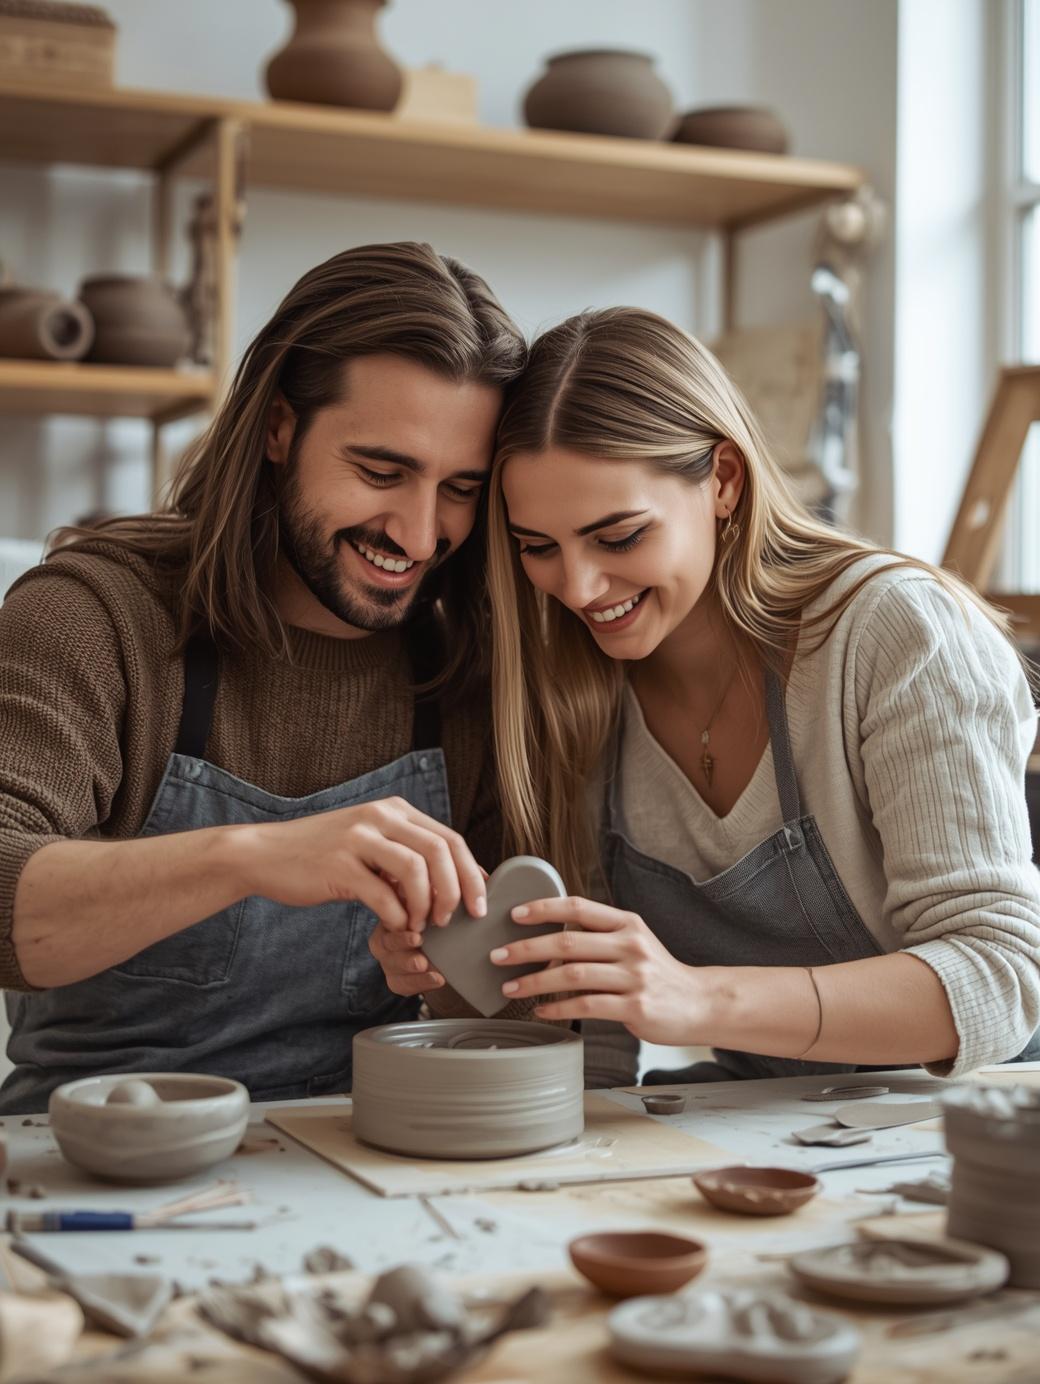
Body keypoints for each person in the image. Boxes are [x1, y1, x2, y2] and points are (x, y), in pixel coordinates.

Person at [376, 306, 1040, 1085]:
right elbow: (594, 1040)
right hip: (773, 1129)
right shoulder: (576, 687)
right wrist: (453, 981)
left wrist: (700, 998)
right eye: (539, 548)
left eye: (619, 537)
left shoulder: (896, 633)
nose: (581, 588)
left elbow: (1000, 978)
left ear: (723, 479)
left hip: (968, 1125)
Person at [0, 241, 529, 1113]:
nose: (422, 533)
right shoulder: (99, 616)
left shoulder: (465, 674)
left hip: (368, 1146)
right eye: (382, 472)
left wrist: (447, 978)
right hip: (96, 1149)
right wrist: (250, 857)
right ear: (279, 427)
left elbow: (490, 1015)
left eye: (461, 488)